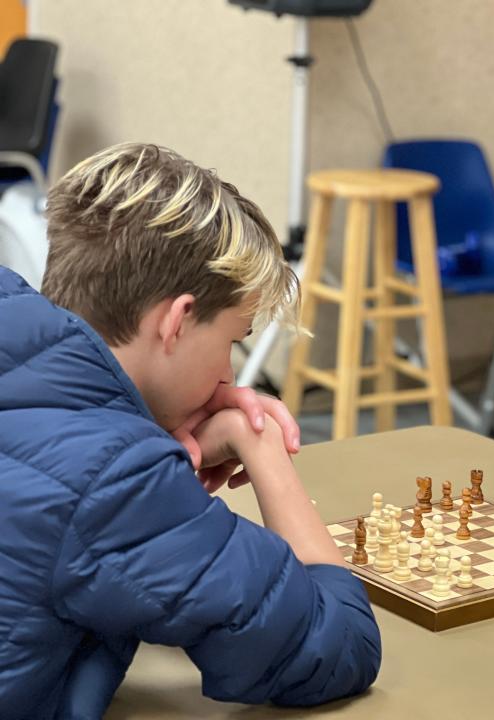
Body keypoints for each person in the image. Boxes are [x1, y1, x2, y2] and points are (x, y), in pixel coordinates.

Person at [0, 143, 381, 718]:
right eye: (233, 339)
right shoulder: (115, 480)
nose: (230, 373)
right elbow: (338, 646)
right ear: (176, 322)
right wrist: (259, 442)